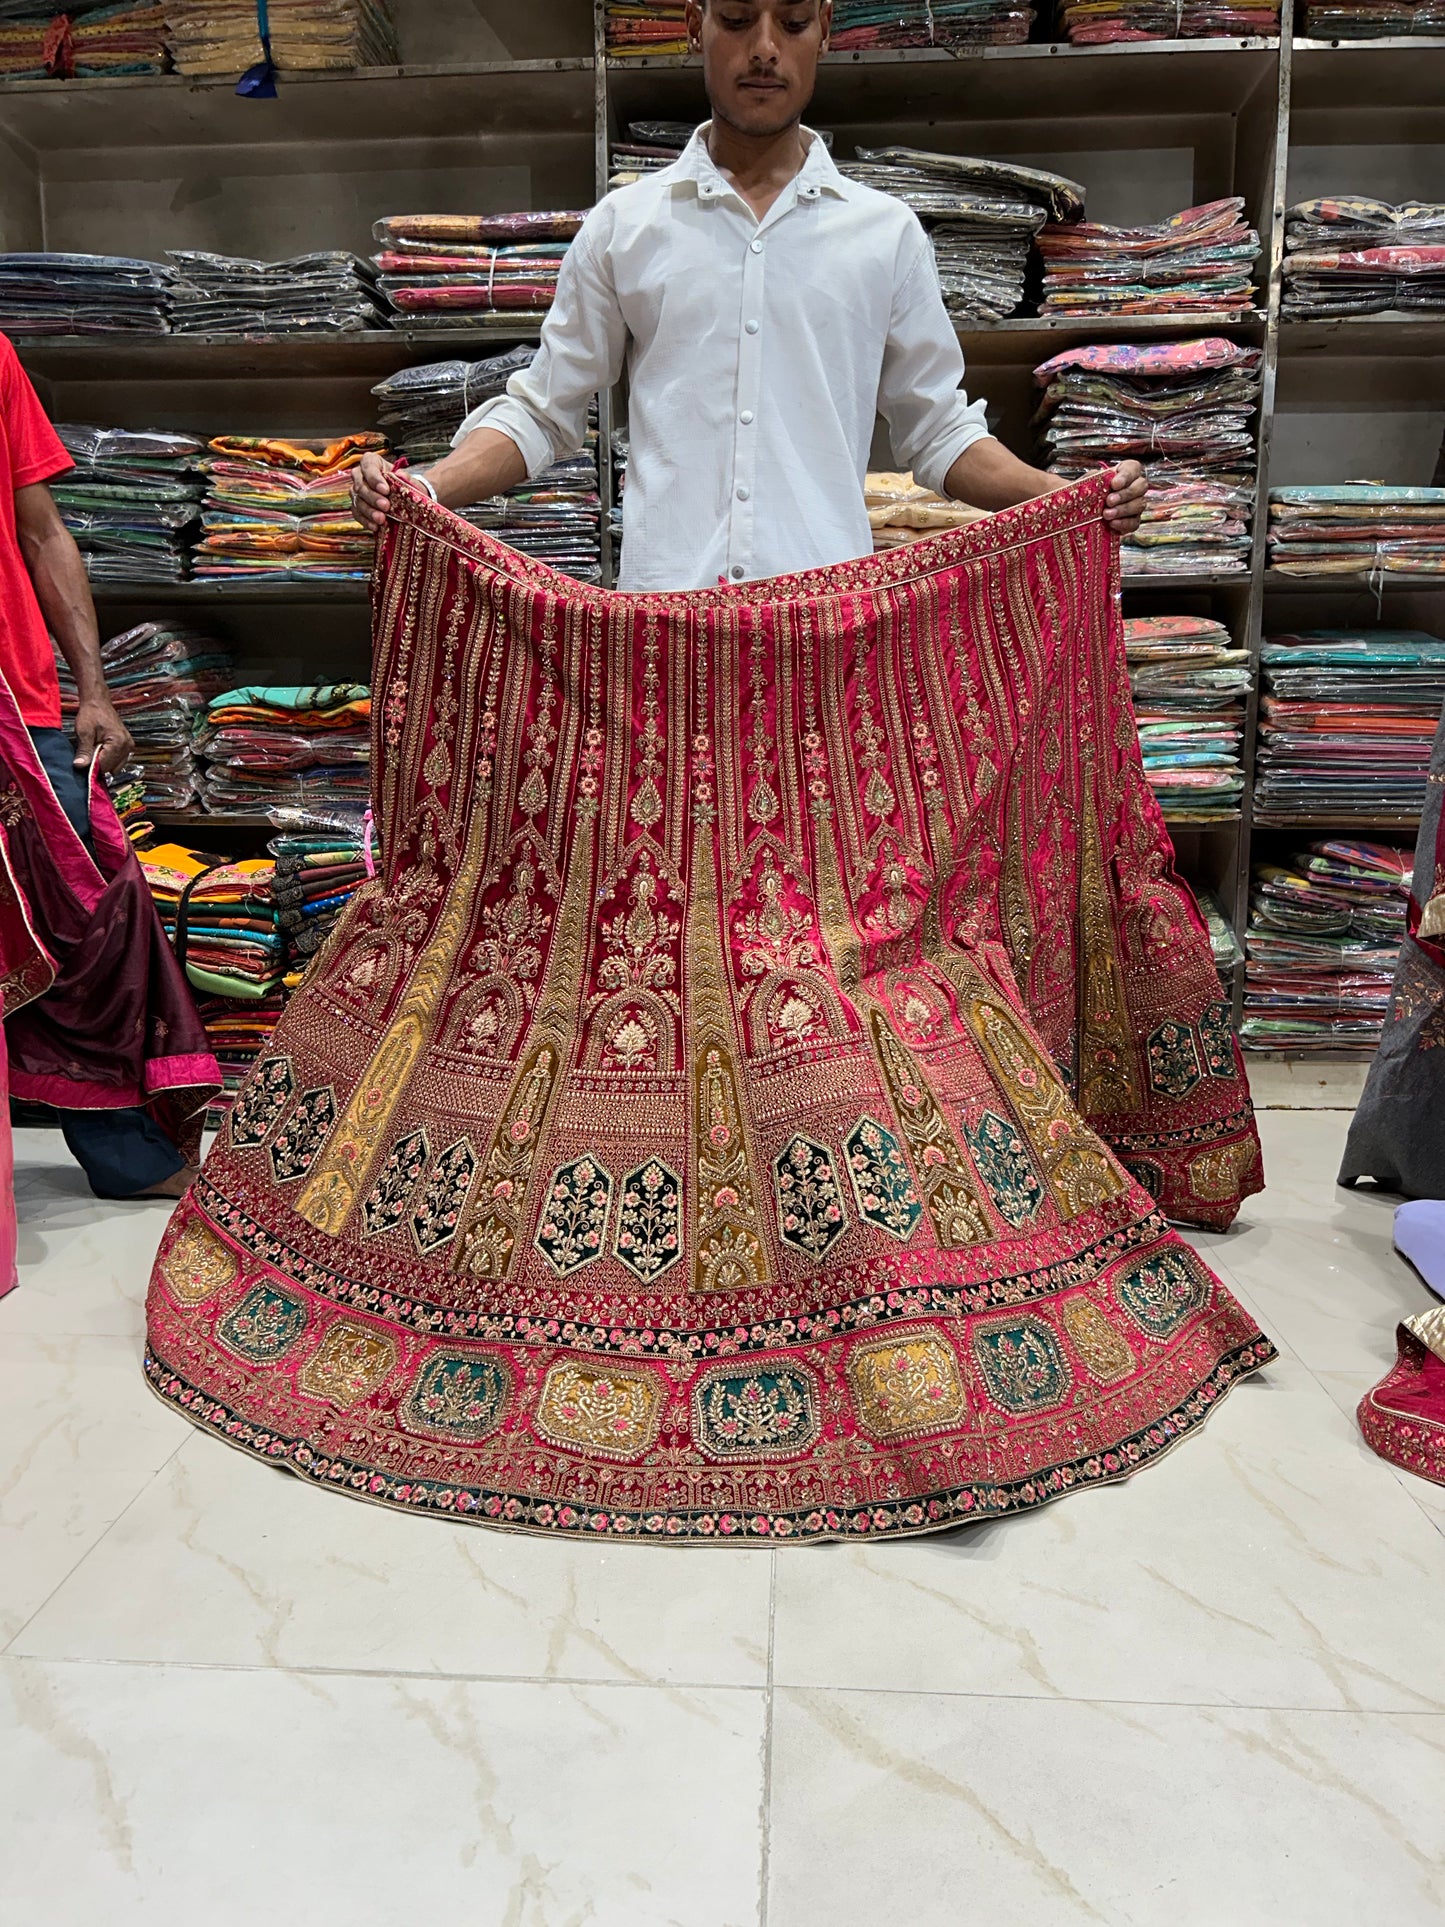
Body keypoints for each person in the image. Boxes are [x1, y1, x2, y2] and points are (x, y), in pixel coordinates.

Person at [353, 0, 1146, 577]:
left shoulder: (885, 233)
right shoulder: (626, 225)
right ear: (697, 26)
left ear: (826, 31)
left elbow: (936, 435)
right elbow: (543, 411)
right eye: (737, 19)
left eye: (792, 22)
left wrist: (1066, 498)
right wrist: (424, 486)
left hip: (825, 624)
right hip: (664, 629)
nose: (763, 47)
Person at [1, 330, 214, 1200]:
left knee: (88, 910)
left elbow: (43, 530)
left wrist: (93, 686)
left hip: (19, 696)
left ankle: (133, 1154)